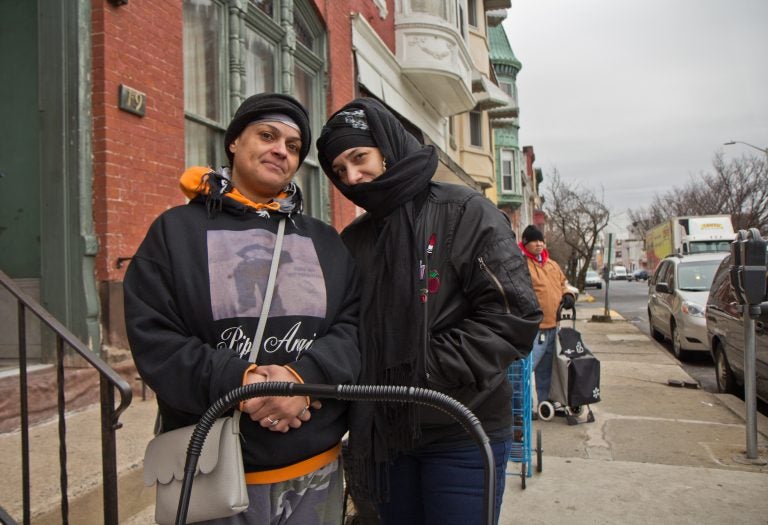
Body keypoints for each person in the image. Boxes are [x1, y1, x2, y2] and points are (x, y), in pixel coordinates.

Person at [124, 92, 361, 524]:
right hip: (212, 469)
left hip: (316, 468)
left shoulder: (327, 241)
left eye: (293, 146)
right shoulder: (174, 233)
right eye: (267, 135)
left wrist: (303, 379)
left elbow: (355, 327)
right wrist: (242, 383)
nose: (280, 151)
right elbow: (154, 337)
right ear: (234, 141)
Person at [315, 97, 542, 525]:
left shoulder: (465, 213)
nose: (353, 177)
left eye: (360, 158)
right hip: (384, 439)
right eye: (339, 170)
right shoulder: (355, 239)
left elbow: (512, 317)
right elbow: (344, 327)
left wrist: (418, 370)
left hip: (461, 430)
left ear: (388, 147)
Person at [518, 225, 576, 413]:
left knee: (547, 372)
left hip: (553, 326)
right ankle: (523, 408)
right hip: (534, 329)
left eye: (541, 240)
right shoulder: (521, 264)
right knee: (525, 371)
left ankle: (546, 404)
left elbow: (564, 284)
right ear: (525, 243)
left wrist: (568, 295)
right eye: (535, 240)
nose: (539, 244)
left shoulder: (552, 265)